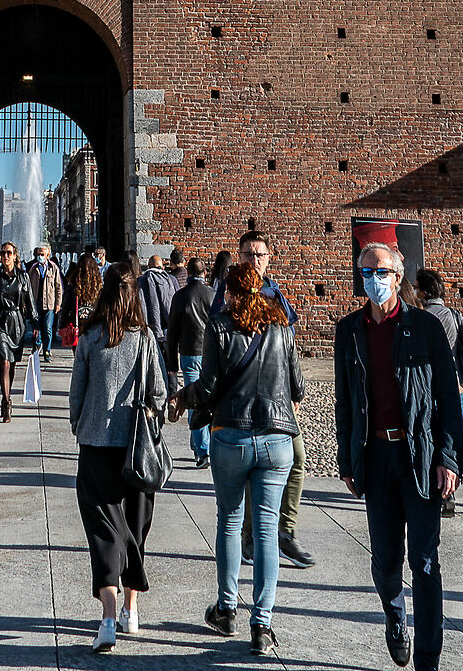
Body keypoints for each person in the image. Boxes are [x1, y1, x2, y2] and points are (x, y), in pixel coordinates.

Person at [335, 239, 463, 671]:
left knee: (425, 562)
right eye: (367, 272)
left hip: (420, 456)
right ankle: (395, 616)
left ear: (397, 276)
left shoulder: (425, 326)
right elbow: (345, 401)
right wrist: (346, 459)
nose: (375, 279)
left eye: (382, 272)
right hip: (376, 456)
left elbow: (448, 398)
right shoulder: (349, 330)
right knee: (387, 561)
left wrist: (449, 457)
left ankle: (428, 658)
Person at [173, 258, 304, 656]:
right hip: (276, 438)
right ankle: (262, 624)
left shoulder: (220, 327)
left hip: (231, 435)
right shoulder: (281, 327)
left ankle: (227, 608)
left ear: (229, 293)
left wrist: (182, 397)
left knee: (230, 521)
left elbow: (208, 388)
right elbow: (297, 387)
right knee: (266, 529)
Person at [70, 260, 168, 653]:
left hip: (96, 443)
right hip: (136, 446)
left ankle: (108, 618)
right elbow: (158, 392)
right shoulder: (144, 338)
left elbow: (77, 392)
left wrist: (80, 423)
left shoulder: (90, 336)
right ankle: (132, 609)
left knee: (104, 532)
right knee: (135, 526)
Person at [216, 233, 313, 571]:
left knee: (297, 459)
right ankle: (249, 537)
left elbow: (289, 346)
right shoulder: (228, 292)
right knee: (248, 473)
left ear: (269, 258)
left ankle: (285, 530)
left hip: (277, 401)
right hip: (241, 405)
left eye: (260, 254)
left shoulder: (276, 294)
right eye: (248, 254)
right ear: (239, 256)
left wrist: (293, 392)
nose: (254, 260)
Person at [415, 267, 463, 514]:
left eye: (417, 288)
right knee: (461, 437)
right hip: (457, 388)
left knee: (438, 440)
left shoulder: (420, 317)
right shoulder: (453, 314)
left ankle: (448, 496)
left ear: (424, 292)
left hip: (430, 388)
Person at [166, 256, 214, 467]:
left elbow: (172, 332)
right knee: (210, 398)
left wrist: (171, 364)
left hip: (189, 352)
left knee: (193, 400)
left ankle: (202, 450)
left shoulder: (180, 296)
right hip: (210, 353)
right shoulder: (213, 295)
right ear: (205, 273)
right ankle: (205, 446)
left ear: (188, 273)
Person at [0, 239, 41, 423]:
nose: (5, 256)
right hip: (0, 321)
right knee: (4, 362)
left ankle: (7, 393)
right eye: (3, 253)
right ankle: (6, 401)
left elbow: (30, 302)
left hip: (17, 323)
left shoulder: (23, 276)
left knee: (12, 363)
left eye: (9, 253)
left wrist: (36, 324)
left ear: (15, 255)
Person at [32, 242, 65, 362]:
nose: (40, 256)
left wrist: (58, 303)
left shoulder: (53, 268)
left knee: (48, 328)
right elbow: (28, 286)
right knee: (36, 327)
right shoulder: (34, 268)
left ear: (48, 255)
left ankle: (47, 351)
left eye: (42, 254)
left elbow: (59, 287)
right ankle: (36, 347)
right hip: (36, 303)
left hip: (49, 303)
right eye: (38, 254)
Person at [138, 252, 174, 342]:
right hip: (169, 328)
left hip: (148, 328)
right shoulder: (171, 280)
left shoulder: (140, 281)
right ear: (162, 266)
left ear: (148, 266)